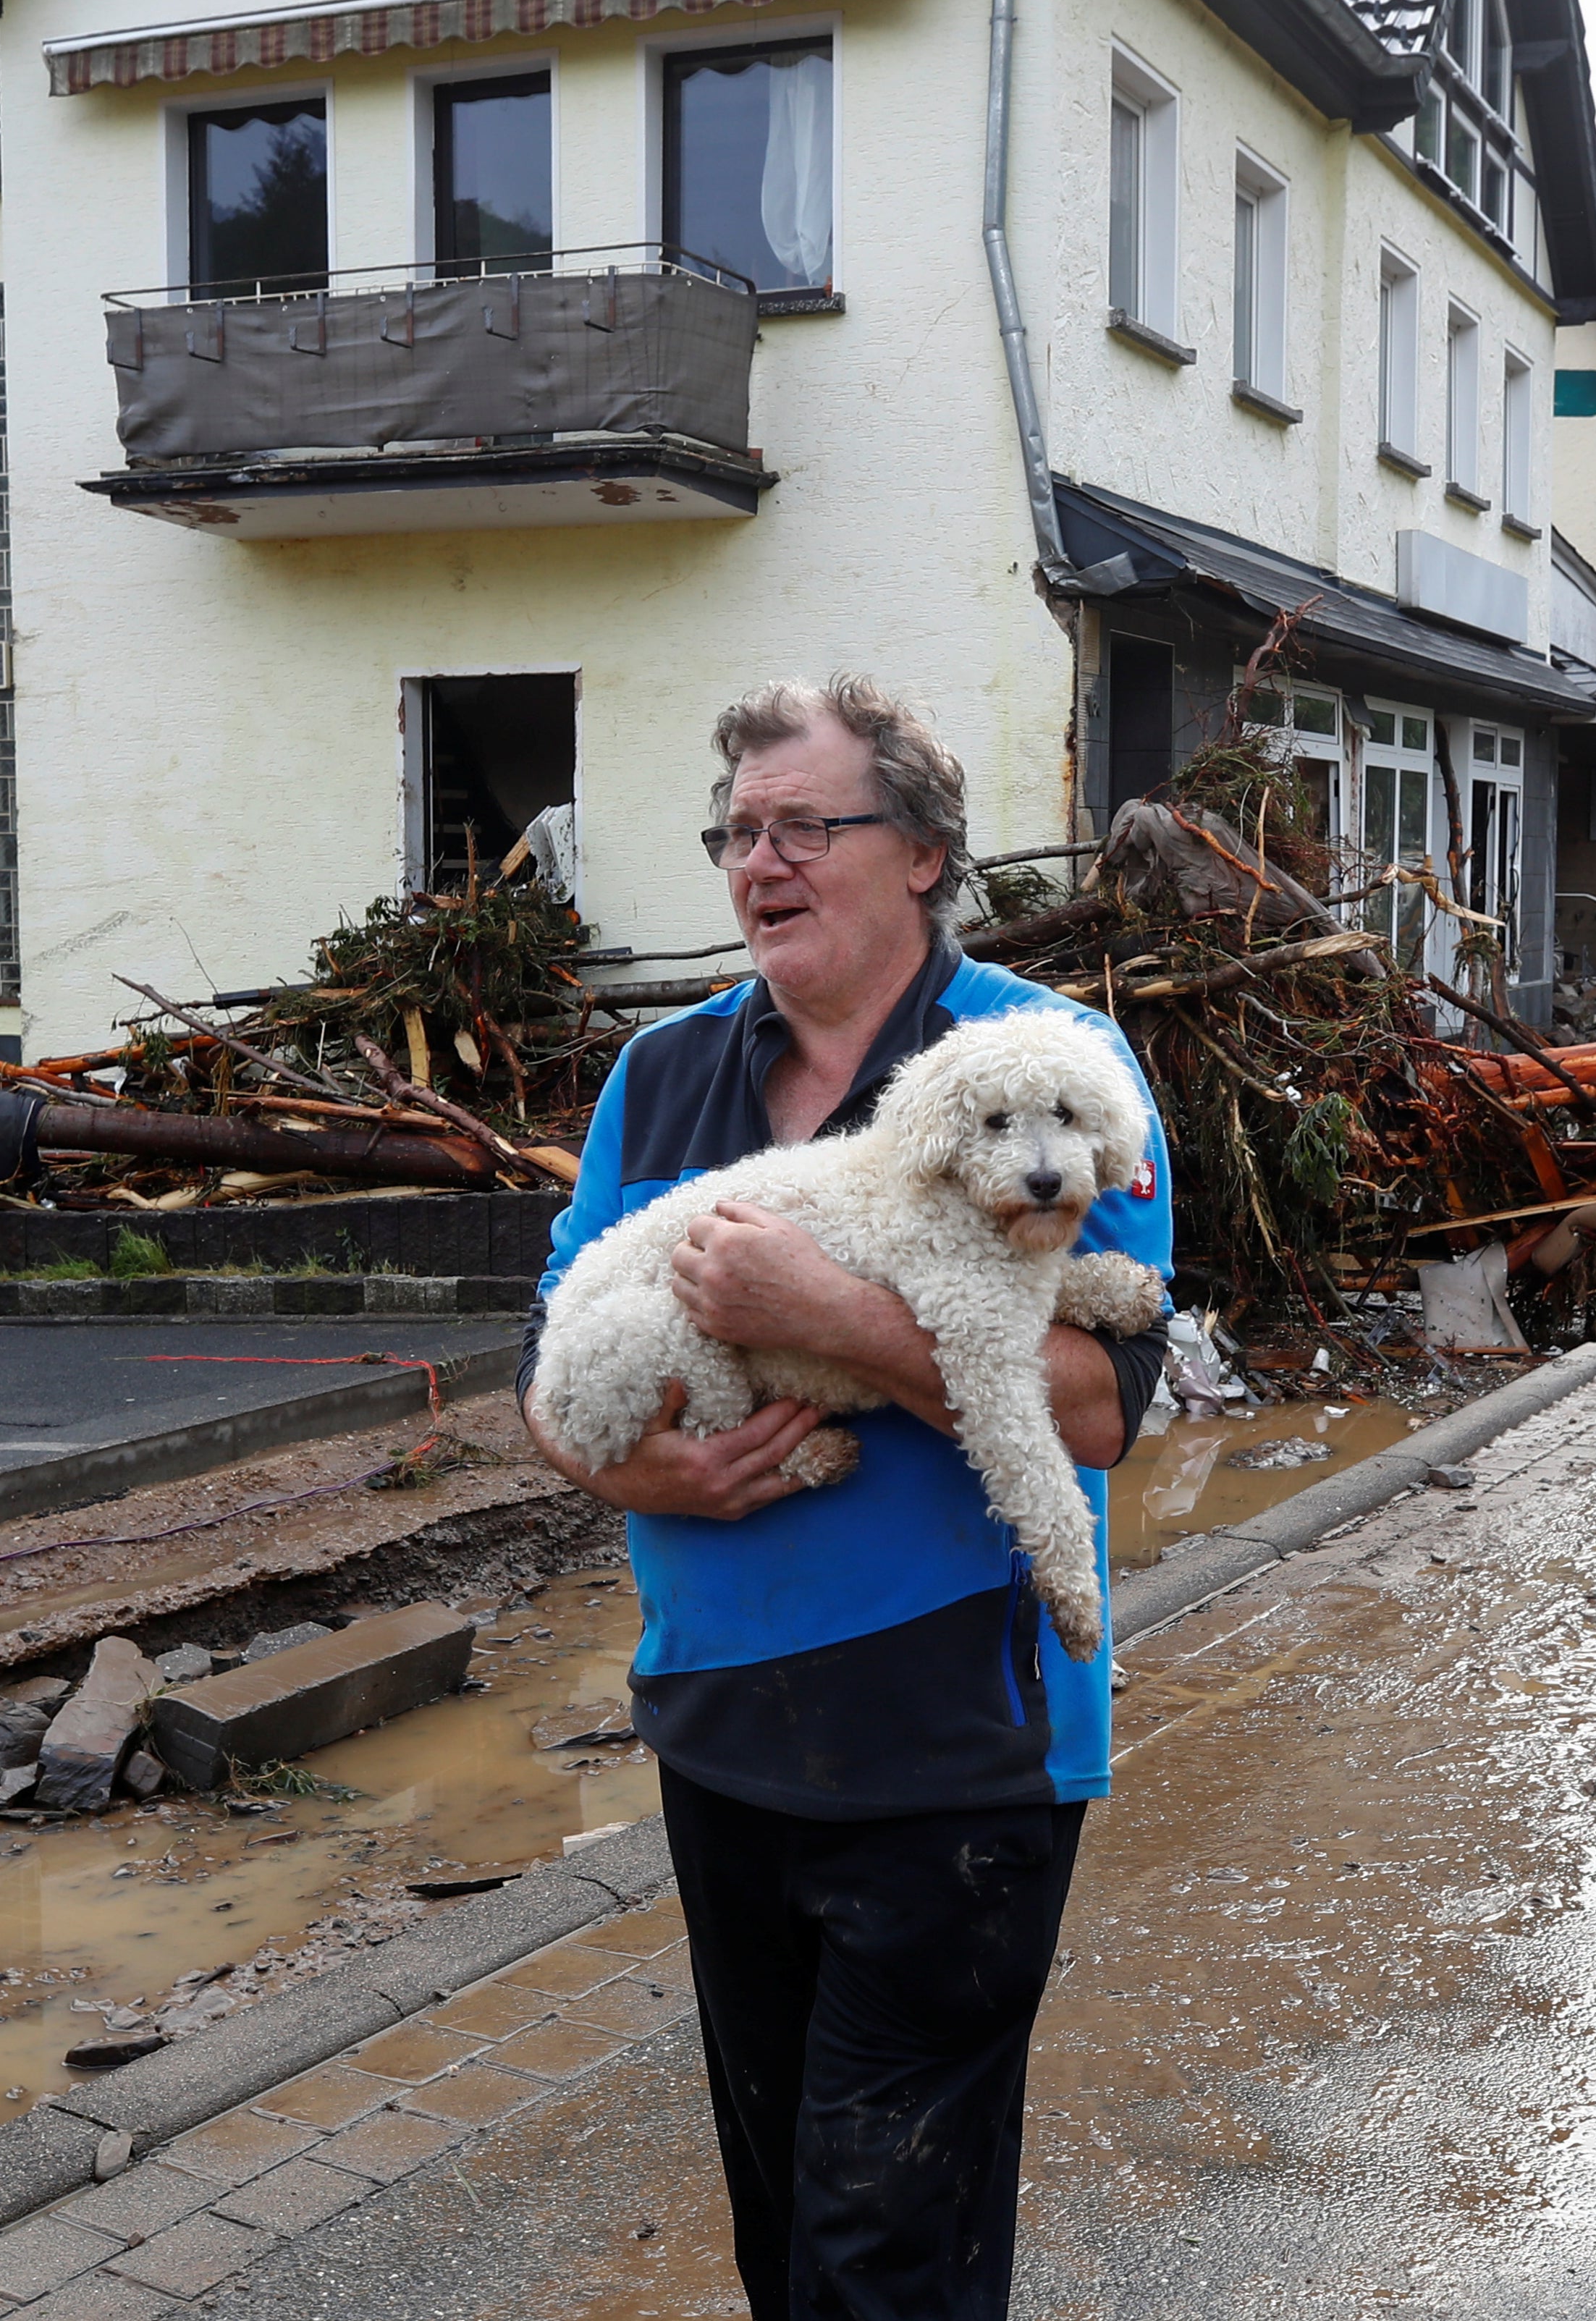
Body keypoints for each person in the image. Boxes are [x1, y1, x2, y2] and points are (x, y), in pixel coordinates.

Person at [518, 675, 1173, 2321]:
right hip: (720, 1721)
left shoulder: (1043, 1066)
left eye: (807, 823)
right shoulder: (656, 1077)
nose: (762, 861)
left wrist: (828, 1321)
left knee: (888, 2250)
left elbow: (1096, 1411)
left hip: (957, 1736)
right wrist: (626, 1462)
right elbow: (547, 1383)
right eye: (738, 831)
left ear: (925, 854)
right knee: (779, 2232)